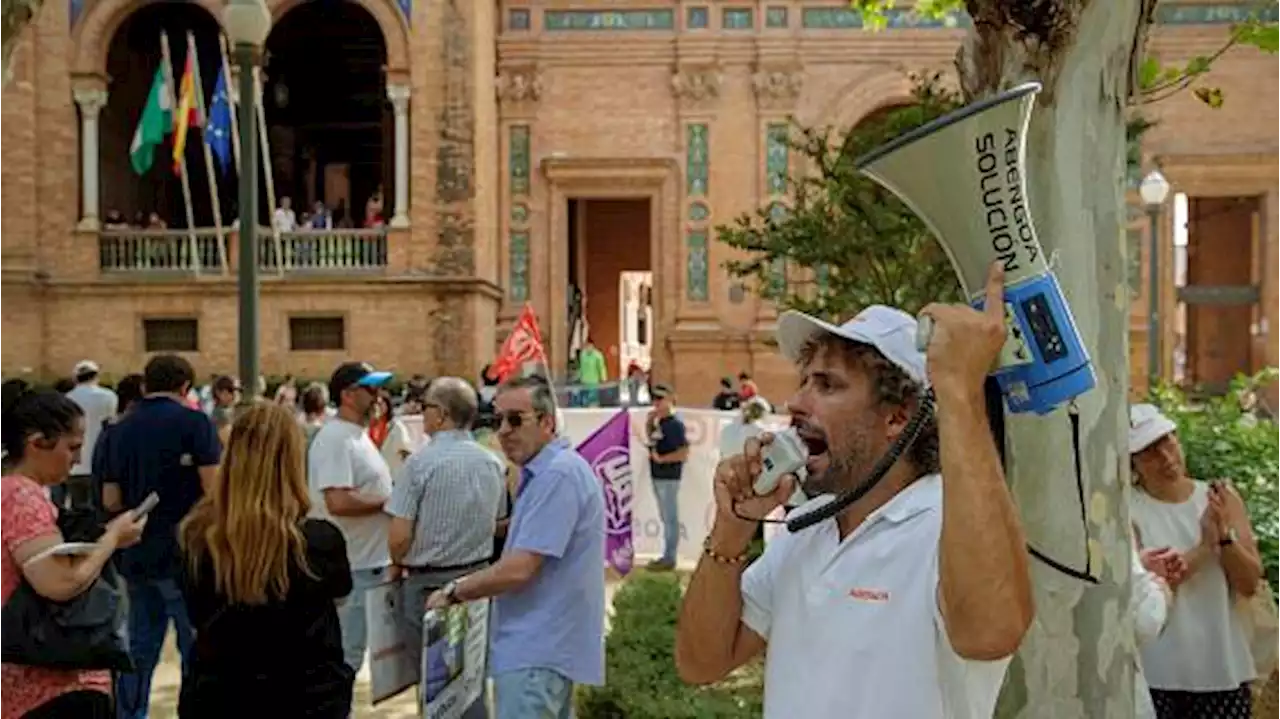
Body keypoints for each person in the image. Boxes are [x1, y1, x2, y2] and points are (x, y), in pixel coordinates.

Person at [675, 264, 1034, 718]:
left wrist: (959, 392)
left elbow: (992, 633)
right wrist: (731, 529)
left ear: (897, 418)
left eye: (827, 384)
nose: (797, 402)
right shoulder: (809, 530)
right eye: (804, 381)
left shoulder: (950, 524)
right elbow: (700, 663)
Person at [425, 375, 605, 719]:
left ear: (547, 422)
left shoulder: (557, 475)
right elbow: (532, 536)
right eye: (498, 420)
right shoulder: (547, 472)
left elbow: (521, 568)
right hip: (540, 648)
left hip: (536, 651)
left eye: (516, 419)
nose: (504, 431)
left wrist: (454, 590)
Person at [177, 403, 354, 718]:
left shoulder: (197, 537)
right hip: (307, 696)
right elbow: (339, 597)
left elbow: (195, 614)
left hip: (221, 695)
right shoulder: (316, 541)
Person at [0, 381, 146, 719]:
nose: (78, 458)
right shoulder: (21, 495)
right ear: (37, 443)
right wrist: (112, 540)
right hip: (47, 687)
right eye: (72, 447)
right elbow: (59, 583)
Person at [102, 355, 221, 719]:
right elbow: (213, 490)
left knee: (139, 648)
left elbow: (111, 499)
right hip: (187, 557)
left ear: (144, 385)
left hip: (135, 554)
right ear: (185, 387)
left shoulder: (116, 430)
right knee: (196, 649)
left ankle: (129, 714)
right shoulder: (195, 423)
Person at [1129, 403, 1262, 718]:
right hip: (1157, 670)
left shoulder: (1219, 498)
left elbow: (1249, 583)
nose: (1165, 457)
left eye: (1167, 441)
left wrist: (1224, 539)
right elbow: (1148, 590)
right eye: (1148, 451)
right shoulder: (1128, 510)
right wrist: (1205, 546)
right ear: (1132, 462)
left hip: (1221, 666)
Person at [387, 378, 504, 717]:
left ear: (440, 414)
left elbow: (398, 536)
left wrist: (398, 561)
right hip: (478, 581)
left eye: (426, 408)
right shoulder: (492, 463)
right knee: (473, 682)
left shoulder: (419, 465)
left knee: (433, 684)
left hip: (426, 583)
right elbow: (495, 521)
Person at [307, 361, 395, 675]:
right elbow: (338, 501)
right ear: (347, 395)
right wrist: (391, 501)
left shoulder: (357, 435)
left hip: (366, 566)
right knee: (344, 660)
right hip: (352, 568)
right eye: (370, 389)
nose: (379, 395)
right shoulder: (336, 438)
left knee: (351, 659)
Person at [61, 360, 117, 511]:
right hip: (100, 462)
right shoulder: (109, 397)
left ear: (75, 378)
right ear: (96, 376)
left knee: (78, 509)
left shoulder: (67, 399)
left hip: (75, 466)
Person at [645, 384, 688, 571]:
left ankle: (670, 557)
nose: (656, 404)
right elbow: (653, 440)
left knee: (670, 517)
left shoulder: (675, 425)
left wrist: (662, 459)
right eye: (655, 400)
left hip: (669, 476)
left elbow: (684, 452)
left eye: (660, 400)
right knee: (665, 516)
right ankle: (667, 555)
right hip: (658, 475)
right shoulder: (659, 423)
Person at [368, 392, 414, 480]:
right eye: (376, 404)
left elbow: (406, 451)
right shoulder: (371, 427)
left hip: (393, 475)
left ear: (388, 405)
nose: (378, 407)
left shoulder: (396, 426)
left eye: (381, 404)